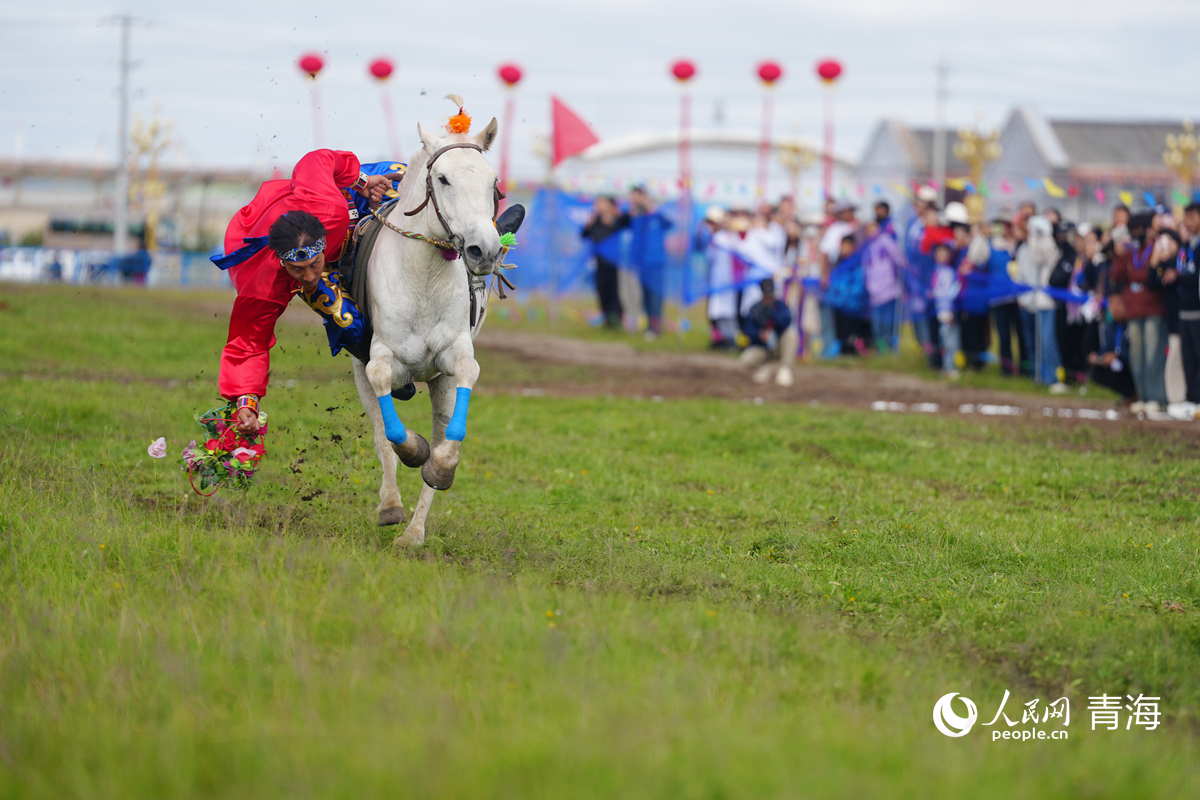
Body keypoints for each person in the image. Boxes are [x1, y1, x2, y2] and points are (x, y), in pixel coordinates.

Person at [213, 149, 396, 434]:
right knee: (347, 322)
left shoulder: (330, 208)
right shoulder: (264, 284)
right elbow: (248, 341)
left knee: (403, 174)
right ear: (282, 262)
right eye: (298, 270)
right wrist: (247, 401)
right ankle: (381, 365)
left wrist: (362, 182)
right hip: (270, 241)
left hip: (340, 200)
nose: (309, 277)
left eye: (313, 266)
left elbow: (318, 158)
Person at [1110, 212, 1171, 413]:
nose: (1137, 234)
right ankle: (1143, 396)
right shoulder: (1130, 251)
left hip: (1154, 309)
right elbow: (1116, 274)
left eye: (1140, 229)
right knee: (1137, 356)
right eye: (1133, 230)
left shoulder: (1157, 247)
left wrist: (1135, 274)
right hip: (1133, 311)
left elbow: (1150, 277)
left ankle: (1157, 397)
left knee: (1154, 355)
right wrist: (1119, 254)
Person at [1016, 215, 1067, 392]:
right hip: (1038, 301)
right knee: (1039, 342)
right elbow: (1034, 260)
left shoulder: (1051, 246)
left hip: (1050, 303)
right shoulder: (1028, 247)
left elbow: (1043, 257)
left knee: (1048, 341)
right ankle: (1043, 376)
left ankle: (1055, 377)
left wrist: (1039, 237)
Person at [628, 186, 673, 339]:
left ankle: (655, 328)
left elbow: (669, 223)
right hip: (641, 264)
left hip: (656, 264)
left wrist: (652, 209)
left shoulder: (658, 217)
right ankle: (649, 325)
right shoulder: (637, 218)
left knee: (656, 297)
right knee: (645, 297)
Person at [581, 195, 630, 330]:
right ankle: (607, 320)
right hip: (599, 263)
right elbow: (584, 234)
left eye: (602, 203)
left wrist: (614, 217)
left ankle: (616, 320)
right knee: (602, 292)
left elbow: (627, 221)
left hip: (615, 264)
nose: (598, 206)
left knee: (616, 294)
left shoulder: (617, 218)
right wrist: (589, 222)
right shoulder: (595, 220)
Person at [862, 221, 901, 352]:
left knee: (889, 323)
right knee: (877, 324)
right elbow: (866, 269)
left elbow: (899, 260)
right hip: (875, 293)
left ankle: (891, 347)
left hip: (890, 291)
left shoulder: (887, 242)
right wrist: (869, 286)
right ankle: (881, 349)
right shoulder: (868, 247)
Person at [1176, 202, 1200, 408]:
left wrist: (1178, 276)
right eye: (1186, 217)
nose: (1188, 222)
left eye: (1192, 217)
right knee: (1188, 357)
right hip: (1184, 310)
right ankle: (1191, 398)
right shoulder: (1186, 245)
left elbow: (1193, 276)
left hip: (1198, 310)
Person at [930, 242, 961, 379]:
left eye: (945, 252)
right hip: (940, 311)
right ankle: (947, 366)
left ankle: (952, 367)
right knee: (944, 340)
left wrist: (950, 310)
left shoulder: (950, 272)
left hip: (948, 311)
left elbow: (952, 292)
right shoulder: (937, 272)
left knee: (951, 341)